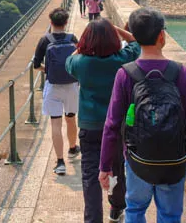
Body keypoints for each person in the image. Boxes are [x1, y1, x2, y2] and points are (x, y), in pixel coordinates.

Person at [99, 8, 186, 223]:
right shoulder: (181, 73)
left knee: (135, 210)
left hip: (138, 160)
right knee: (170, 214)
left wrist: (105, 166)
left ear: (135, 38)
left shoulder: (125, 74)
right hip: (175, 162)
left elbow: (112, 125)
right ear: (162, 37)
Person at [66, 19, 141, 223]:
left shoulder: (80, 63)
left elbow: (68, 62)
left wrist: (82, 45)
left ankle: (93, 219)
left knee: (90, 175)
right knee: (117, 167)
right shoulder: (121, 59)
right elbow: (137, 43)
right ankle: (116, 208)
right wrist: (114, 28)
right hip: (116, 127)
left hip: (90, 126)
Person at [32, 7, 80, 176]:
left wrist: (49, 70)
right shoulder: (72, 38)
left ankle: (60, 162)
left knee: (55, 123)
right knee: (71, 118)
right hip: (72, 86)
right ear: (66, 22)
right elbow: (80, 59)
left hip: (53, 87)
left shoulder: (44, 40)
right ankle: (73, 148)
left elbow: (36, 65)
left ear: (51, 22)